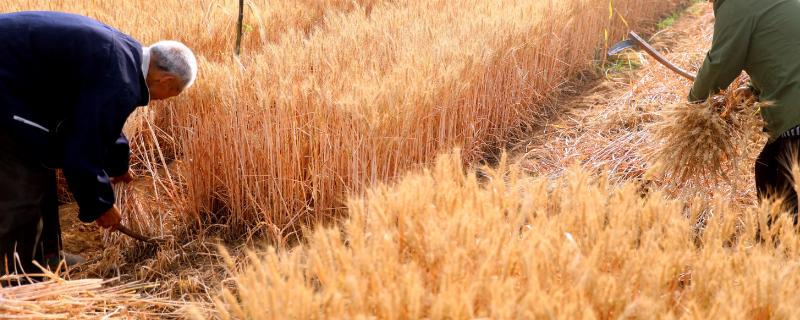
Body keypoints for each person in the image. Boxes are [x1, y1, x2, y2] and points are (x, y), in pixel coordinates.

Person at [0, 11, 198, 281]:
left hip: (16, 81)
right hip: (7, 92)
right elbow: (80, 152)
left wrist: (118, 165)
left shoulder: (125, 56)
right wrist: (100, 205)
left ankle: (47, 258)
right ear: (166, 81)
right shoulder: (120, 80)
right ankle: (16, 279)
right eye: (172, 94)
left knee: (41, 162)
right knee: (23, 183)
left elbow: (99, 122)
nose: (164, 100)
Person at [689, 0, 800, 223]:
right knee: (768, 168)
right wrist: (752, 89)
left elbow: (721, 62)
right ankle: (774, 244)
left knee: (782, 185)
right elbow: (781, 49)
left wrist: (694, 101)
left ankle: (781, 248)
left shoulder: (736, 4)